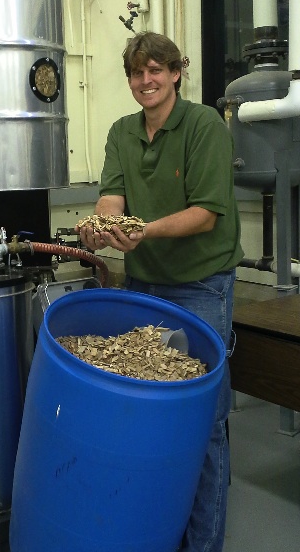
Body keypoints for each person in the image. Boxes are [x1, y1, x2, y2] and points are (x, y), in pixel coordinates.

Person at [77, 31, 244, 552]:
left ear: (175, 73)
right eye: (136, 73)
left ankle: (204, 544)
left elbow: (206, 213)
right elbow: (111, 197)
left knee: (204, 423)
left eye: (155, 70)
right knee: (149, 415)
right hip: (144, 285)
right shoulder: (122, 132)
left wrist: (142, 231)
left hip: (200, 286)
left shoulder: (204, 126)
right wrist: (104, 226)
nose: (145, 81)